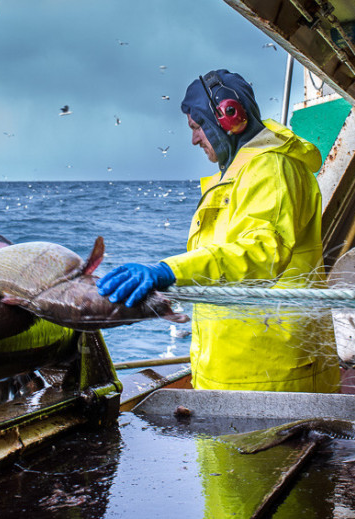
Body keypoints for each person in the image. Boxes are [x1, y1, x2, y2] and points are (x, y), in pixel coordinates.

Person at [97, 69, 340, 393]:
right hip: (235, 369)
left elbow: (260, 252)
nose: (194, 139)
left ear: (229, 117)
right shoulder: (242, 172)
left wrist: (168, 270)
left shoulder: (271, 169)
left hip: (272, 376)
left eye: (197, 127)